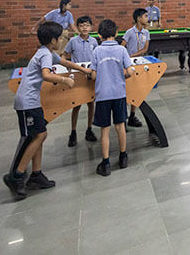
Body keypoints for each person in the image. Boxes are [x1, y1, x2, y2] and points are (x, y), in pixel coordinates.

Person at [4, 22, 90, 199]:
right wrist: (64, 80)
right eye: (60, 38)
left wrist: (83, 69)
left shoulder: (47, 52)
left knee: (39, 135)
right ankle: (17, 176)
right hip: (27, 103)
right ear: (53, 40)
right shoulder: (44, 54)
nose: (62, 41)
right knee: (39, 136)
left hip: (32, 102)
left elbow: (64, 61)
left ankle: (36, 174)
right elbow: (46, 74)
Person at [91, 19, 136, 176]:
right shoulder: (122, 50)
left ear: (99, 35)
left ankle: (106, 163)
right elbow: (130, 71)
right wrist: (121, 75)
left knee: (105, 130)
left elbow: (94, 74)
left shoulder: (97, 51)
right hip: (119, 94)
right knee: (120, 126)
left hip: (102, 95)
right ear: (116, 33)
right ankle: (123, 157)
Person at [63, 15, 98, 146]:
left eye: (87, 25)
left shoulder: (94, 41)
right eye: (82, 25)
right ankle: (73, 132)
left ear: (91, 27)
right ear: (77, 27)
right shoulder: (73, 41)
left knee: (91, 104)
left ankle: (89, 130)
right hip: (77, 76)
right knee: (76, 105)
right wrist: (67, 67)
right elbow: (64, 55)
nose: (84, 28)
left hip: (90, 75)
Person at [121, 9, 149, 128]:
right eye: (145, 16)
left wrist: (133, 55)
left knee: (137, 91)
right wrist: (127, 58)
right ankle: (123, 119)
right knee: (127, 91)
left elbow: (145, 49)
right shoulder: (129, 32)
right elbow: (122, 47)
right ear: (138, 18)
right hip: (128, 64)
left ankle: (132, 116)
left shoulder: (146, 32)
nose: (148, 18)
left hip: (140, 63)